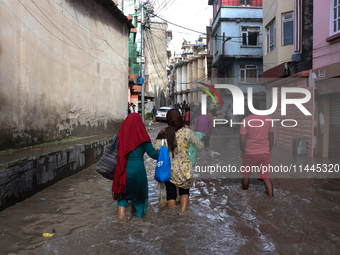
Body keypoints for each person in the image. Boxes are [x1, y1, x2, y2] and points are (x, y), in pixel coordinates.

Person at [112, 113, 159, 219]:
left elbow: (114, 150)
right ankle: (138, 226)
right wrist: (165, 154)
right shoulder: (143, 137)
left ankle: (121, 224)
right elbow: (153, 154)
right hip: (138, 172)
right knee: (140, 200)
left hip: (123, 171)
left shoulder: (120, 136)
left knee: (122, 199)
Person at [154, 109, 203, 212]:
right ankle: (182, 213)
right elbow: (199, 146)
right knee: (184, 192)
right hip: (185, 169)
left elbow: (156, 148)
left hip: (169, 168)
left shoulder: (163, 133)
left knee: (171, 194)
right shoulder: (187, 132)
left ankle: (171, 217)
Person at [239, 101, 274, 197]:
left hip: (250, 153)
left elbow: (242, 140)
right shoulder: (268, 119)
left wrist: (242, 151)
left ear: (249, 109)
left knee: (246, 175)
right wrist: (269, 150)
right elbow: (271, 138)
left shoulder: (245, 121)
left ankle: (245, 195)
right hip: (265, 153)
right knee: (266, 177)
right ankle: (271, 197)